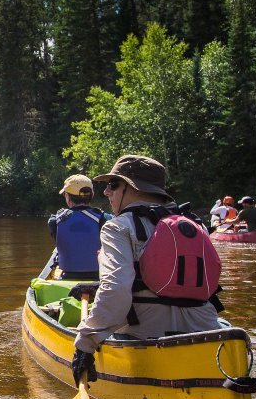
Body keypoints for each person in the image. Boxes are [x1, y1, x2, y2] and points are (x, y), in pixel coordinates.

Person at [71, 154, 221, 385]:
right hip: (205, 331)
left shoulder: (118, 227)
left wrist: (85, 343)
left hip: (146, 333)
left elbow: (116, 289)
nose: (106, 192)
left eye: (113, 184)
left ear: (132, 188)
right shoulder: (195, 223)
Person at [47, 174, 111, 280]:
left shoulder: (54, 221)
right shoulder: (105, 218)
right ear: (92, 194)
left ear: (67, 196)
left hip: (67, 277)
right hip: (99, 276)